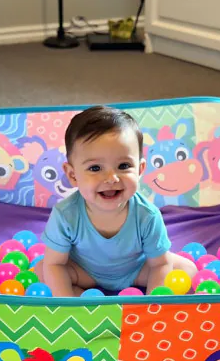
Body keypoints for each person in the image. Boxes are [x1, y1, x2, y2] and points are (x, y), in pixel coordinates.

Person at [35, 105, 197, 297]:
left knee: (187, 269)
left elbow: (159, 264)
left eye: (124, 165)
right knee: (43, 269)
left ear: (140, 169)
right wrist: (67, 303)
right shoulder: (65, 214)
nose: (111, 178)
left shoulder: (147, 215)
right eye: (95, 168)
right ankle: (79, 298)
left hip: (136, 271)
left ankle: (90, 298)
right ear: (72, 175)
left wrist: (151, 304)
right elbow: (56, 264)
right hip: (84, 272)